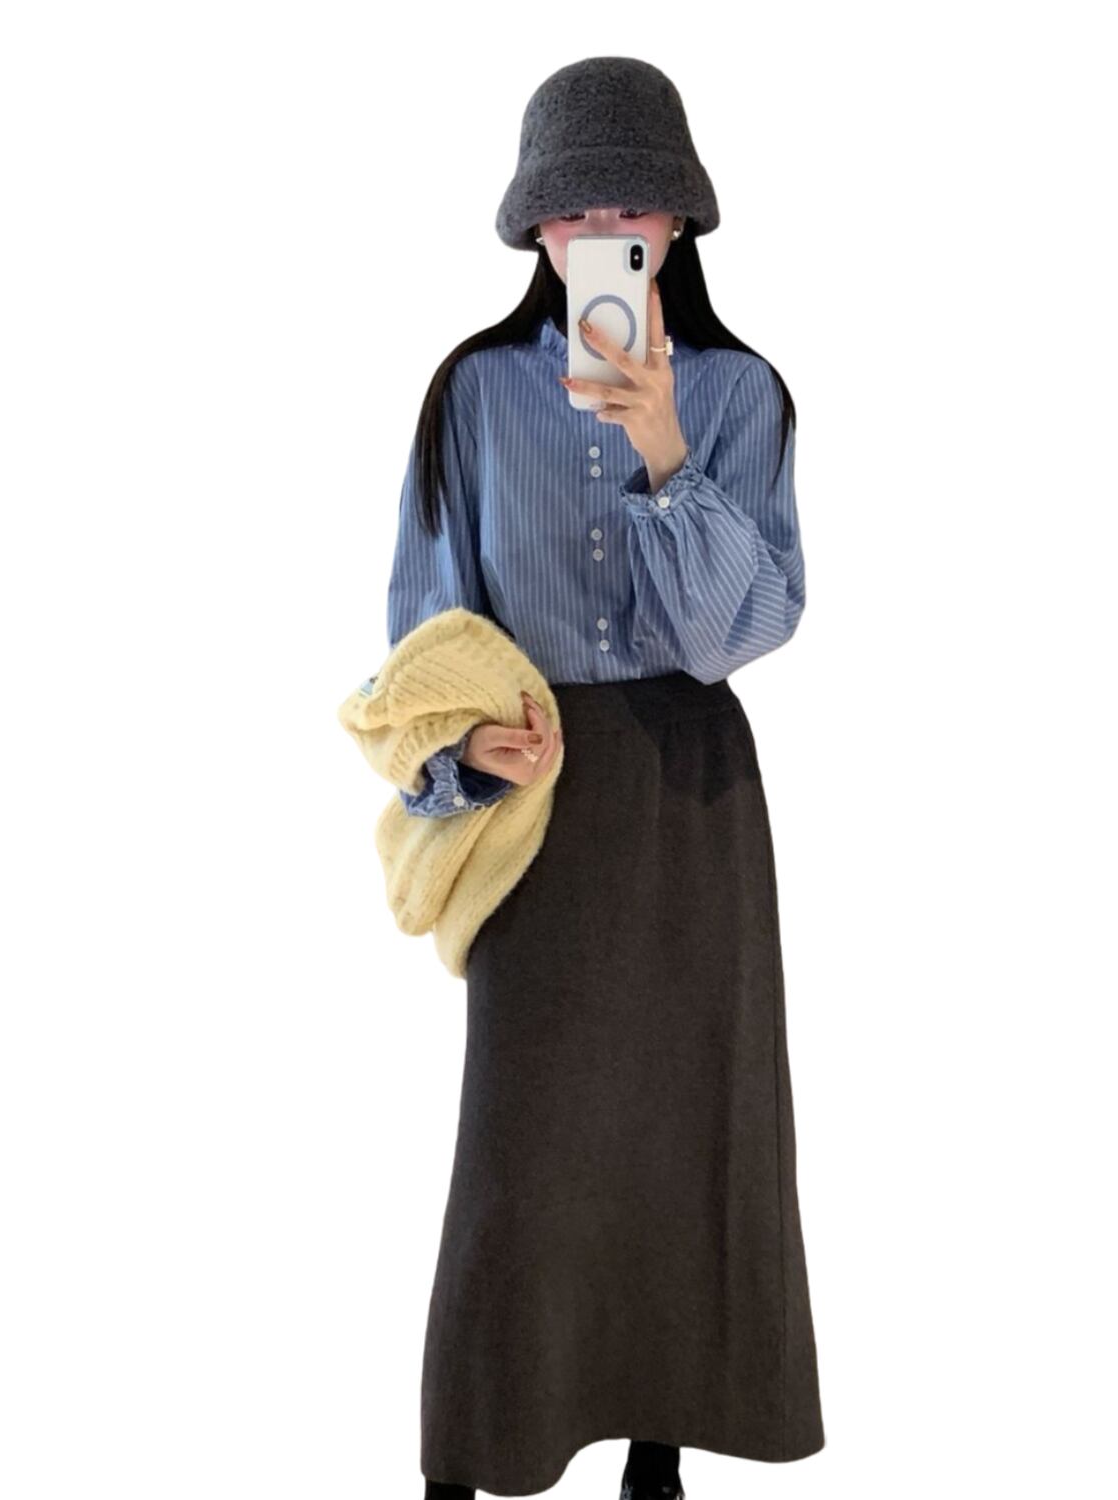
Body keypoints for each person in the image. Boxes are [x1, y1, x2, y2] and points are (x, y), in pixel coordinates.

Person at [382, 56, 825, 1499]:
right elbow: (424, 629)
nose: (602, 233)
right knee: (521, 1142)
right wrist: (462, 751)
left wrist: (662, 449)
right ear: (534, 227)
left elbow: (727, 638)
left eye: (631, 206)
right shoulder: (469, 392)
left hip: (690, 795)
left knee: (690, 1123)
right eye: (576, 209)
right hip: (539, 795)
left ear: (679, 224)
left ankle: (657, 1452)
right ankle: (473, 1454)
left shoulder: (741, 395)